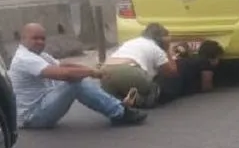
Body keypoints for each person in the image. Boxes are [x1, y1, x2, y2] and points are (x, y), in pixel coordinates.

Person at [8, 23, 147, 129]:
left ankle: (118, 108)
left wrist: (91, 69)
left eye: (42, 39)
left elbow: (63, 65)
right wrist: (92, 73)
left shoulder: (38, 55)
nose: (40, 42)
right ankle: (119, 113)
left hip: (42, 106)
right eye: (35, 38)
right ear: (23, 39)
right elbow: (64, 74)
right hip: (32, 117)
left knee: (77, 77)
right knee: (75, 83)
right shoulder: (24, 58)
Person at [101, 23, 178, 108]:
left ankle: (120, 100)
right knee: (154, 88)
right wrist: (167, 50)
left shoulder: (131, 42)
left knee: (115, 94)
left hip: (104, 71)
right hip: (128, 70)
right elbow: (172, 72)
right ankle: (136, 100)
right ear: (162, 39)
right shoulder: (156, 49)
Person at [156, 40, 224, 104]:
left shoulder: (191, 60)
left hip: (160, 80)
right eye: (218, 58)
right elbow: (206, 86)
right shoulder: (206, 63)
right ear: (214, 57)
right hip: (172, 87)